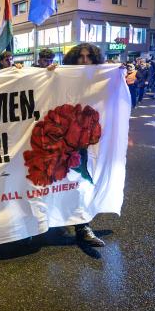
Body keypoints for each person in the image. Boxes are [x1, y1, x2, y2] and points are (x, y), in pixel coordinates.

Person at [60, 43, 106, 247]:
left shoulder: (101, 79)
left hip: (82, 141)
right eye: (81, 57)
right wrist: (50, 74)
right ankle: (44, 222)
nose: (85, 60)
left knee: (81, 182)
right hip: (60, 136)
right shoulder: (63, 76)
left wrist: (117, 74)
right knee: (55, 181)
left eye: (89, 57)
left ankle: (82, 225)